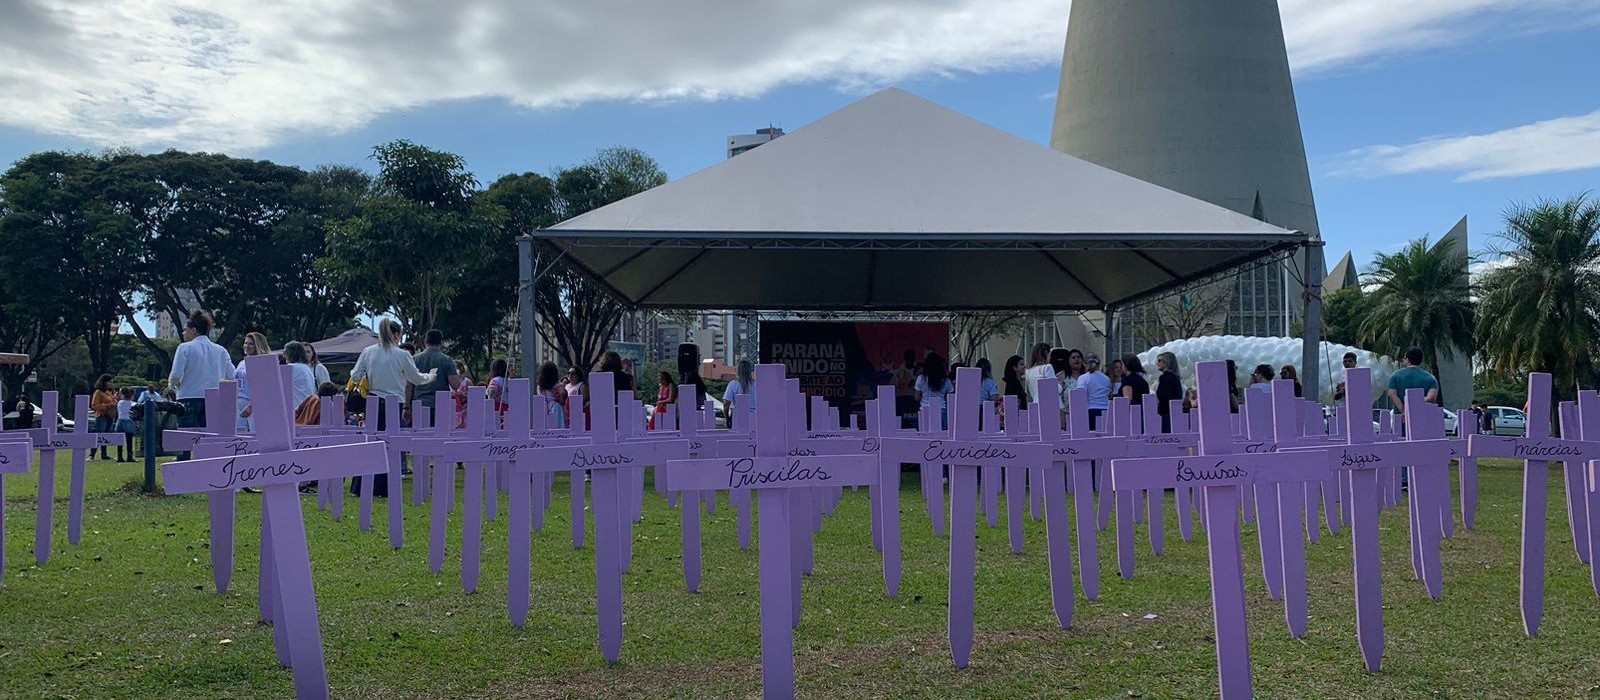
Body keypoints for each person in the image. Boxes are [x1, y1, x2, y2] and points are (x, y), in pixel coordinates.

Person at [349, 318, 438, 497]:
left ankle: (360, 486)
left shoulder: (368, 352)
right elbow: (417, 378)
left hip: (373, 400)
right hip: (393, 402)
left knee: (371, 442)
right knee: (390, 444)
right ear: (397, 335)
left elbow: (355, 375)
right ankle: (383, 487)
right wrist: (431, 376)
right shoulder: (402, 354)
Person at [168, 310, 234, 434]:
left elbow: (176, 375)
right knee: (210, 439)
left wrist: (172, 387)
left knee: (186, 440)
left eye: (185, 330)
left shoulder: (184, 347)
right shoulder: (221, 350)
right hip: (214, 398)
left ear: (193, 330)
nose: (183, 333)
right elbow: (231, 375)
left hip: (188, 397)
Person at [409, 329, 461, 425]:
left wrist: (406, 407)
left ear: (425, 341)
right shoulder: (447, 360)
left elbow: (409, 385)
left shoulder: (414, 360)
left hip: (419, 404)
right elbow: (455, 385)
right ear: (441, 342)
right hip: (441, 406)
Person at [234, 331, 272, 433]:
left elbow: (264, 389)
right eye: (246, 343)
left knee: (255, 436)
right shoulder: (241, 363)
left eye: (251, 344)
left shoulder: (262, 362)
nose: (247, 346)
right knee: (241, 437)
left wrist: (251, 406)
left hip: (254, 406)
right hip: (239, 404)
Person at [1386, 347, 1439, 415]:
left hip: (1400, 418)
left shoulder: (1395, 376)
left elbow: (1392, 394)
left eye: (1404, 358)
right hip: (1423, 416)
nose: (1403, 360)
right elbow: (1431, 397)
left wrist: (1403, 410)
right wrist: (1415, 404)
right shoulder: (1431, 378)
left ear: (1408, 360)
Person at [915, 353, 954, 429]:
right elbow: (951, 397)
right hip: (941, 409)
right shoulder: (946, 380)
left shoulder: (921, 378)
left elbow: (917, 398)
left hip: (924, 410)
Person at [282, 341, 318, 410]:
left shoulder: (291, 368)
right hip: (306, 407)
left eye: (285, 353)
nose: (284, 356)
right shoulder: (306, 368)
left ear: (290, 354)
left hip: (295, 409)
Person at [1080, 353, 1112, 431]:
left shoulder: (1083, 378)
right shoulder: (1106, 379)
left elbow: (1081, 397)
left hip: (1090, 411)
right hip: (1105, 410)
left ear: (1085, 363)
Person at [1154, 351, 1183, 433]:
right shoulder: (1175, 378)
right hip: (1175, 413)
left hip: (1166, 413)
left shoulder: (1165, 378)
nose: (1157, 363)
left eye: (1159, 360)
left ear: (1167, 362)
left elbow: (1165, 397)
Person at [91, 374, 117, 460]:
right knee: (99, 435)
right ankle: (92, 454)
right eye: (109, 382)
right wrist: (108, 405)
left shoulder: (109, 392)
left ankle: (104, 454)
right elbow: (94, 405)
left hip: (109, 416)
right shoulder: (98, 392)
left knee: (106, 436)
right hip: (102, 416)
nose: (111, 383)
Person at [1023, 342, 1055, 414]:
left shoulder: (1028, 372)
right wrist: (1060, 383)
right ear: (1046, 353)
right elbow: (1053, 389)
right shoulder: (1047, 367)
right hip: (1049, 405)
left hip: (1036, 403)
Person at [723, 360, 755, 427]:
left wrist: (727, 418)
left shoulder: (733, 384)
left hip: (738, 416)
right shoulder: (757, 385)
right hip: (755, 416)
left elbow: (726, 404)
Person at [538, 362, 569, 428]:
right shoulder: (557, 384)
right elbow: (562, 393)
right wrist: (560, 399)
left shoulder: (540, 386)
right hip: (555, 407)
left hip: (544, 407)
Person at [115, 388, 137, 462]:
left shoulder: (120, 402)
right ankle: (129, 456)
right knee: (129, 440)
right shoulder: (133, 403)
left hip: (120, 420)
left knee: (119, 440)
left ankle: (119, 456)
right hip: (128, 421)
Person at [452, 360, 475, 429]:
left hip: (465, 409)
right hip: (454, 409)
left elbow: (474, 397)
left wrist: (463, 395)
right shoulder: (449, 382)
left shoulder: (467, 382)